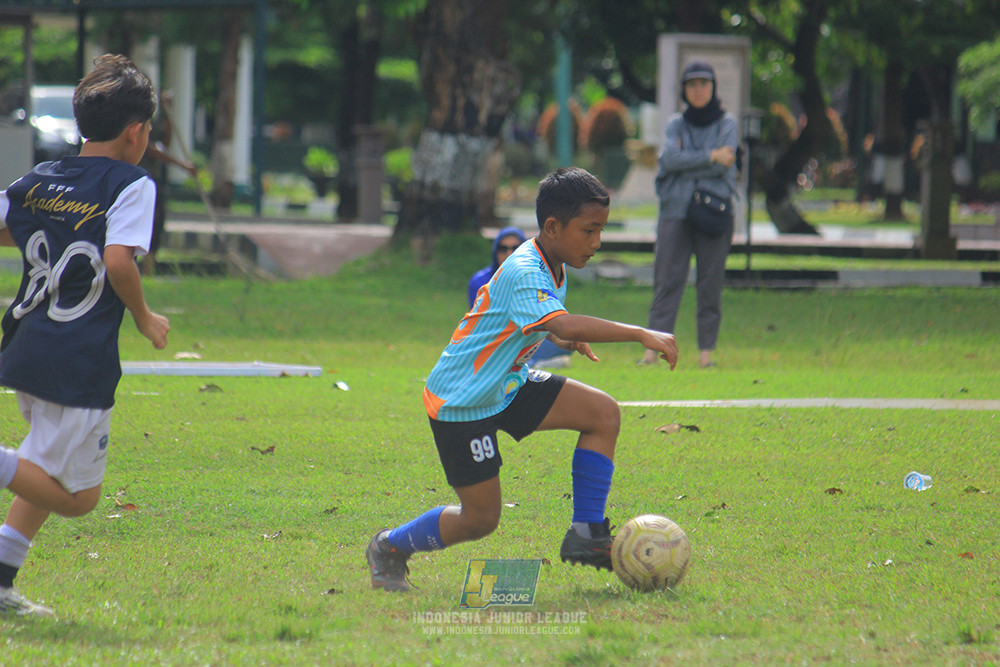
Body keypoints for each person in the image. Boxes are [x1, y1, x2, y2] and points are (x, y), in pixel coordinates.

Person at [366, 167, 679, 592]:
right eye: (589, 230)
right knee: (480, 519)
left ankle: (586, 536)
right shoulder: (528, 268)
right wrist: (640, 332)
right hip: (462, 400)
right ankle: (389, 546)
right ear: (552, 227)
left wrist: (554, 334)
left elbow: (538, 321)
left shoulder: (553, 262)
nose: (597, 242)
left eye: (601, 230)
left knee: (602, 413)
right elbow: (566, 324)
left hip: (508, 384)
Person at [0, 54, 170, 618]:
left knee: (59, 479)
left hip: (26, 343)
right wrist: (146, 319)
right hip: (77, 358)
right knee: (76, 501)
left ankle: (0, 584)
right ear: (136, 132)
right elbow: (119, 262)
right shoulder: (133, 183)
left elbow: (8, 224)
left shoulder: (38, 179)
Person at [642, 60, 739, 369]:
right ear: (684, 89)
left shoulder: (728, 123)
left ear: (713, 88)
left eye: (704, 84)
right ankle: (651, 352)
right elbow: (668, 158)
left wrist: (687, 163)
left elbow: (728, 163)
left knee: (710, 283)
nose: (699, 90)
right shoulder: (675, 124)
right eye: (693, 84)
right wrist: (711, 156)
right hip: (675, 211)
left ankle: (706, 354)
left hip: (714, 212)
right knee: (667, 281)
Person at [467, 227, 573, 370]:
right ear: (495, 251)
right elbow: (483, 325)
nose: (509, 254)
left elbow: (543, 319)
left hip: (527, 335)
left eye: (515, 248)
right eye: (503, 249)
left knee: (567, 339)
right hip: (495, 339)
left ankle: (529, 362)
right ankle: (534, 364)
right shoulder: (480, 282)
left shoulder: (534, 278)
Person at [138, 92, 197, 276]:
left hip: (153, 179)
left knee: (157, 220)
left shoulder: (151, 121)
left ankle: (149, 266)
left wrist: (168, 114)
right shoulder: (133, 120)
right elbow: (149, 149)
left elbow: (165, 143)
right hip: (138, 178)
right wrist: (181, 165)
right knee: (140, 220)